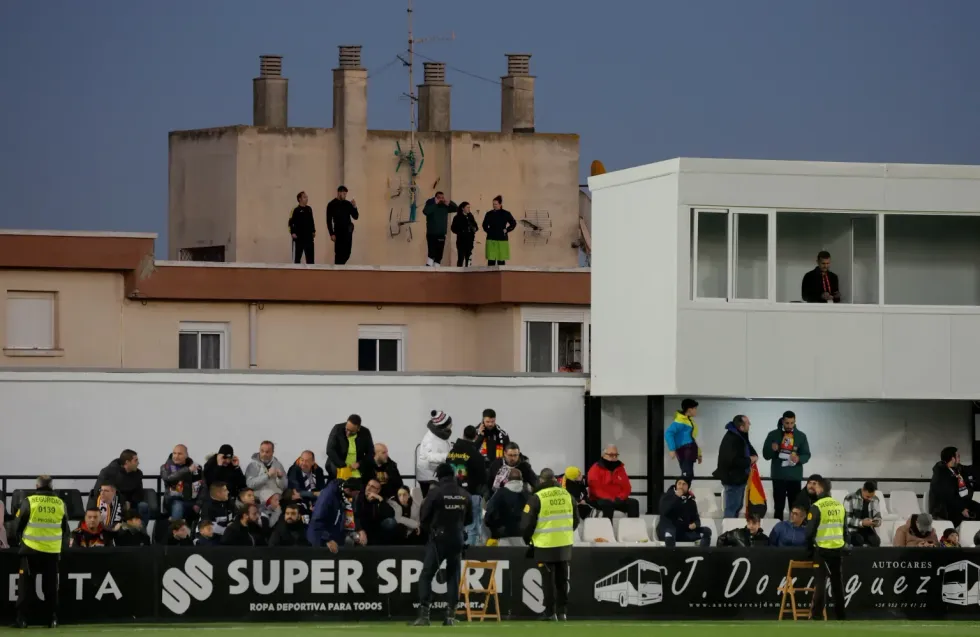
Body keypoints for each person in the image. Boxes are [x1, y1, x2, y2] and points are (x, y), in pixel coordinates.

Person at [411, 463, 472, 627]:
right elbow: (470, 519)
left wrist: (432, 528)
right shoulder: (464, 494)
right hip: (458, 538)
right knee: (453, 576)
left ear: (439, 476)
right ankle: (450, 616)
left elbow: (424, 517)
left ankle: (424, 616)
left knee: (426, 575)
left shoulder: (435, 493)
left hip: (438, 538)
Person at [521, 468, 578, 621]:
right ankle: (562, 612)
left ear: (541, 480)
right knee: (562, 580)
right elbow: (576, 520)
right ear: (554, 479)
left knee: (547, 580)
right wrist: (565, 533)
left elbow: (527, 524)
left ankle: (549, 612)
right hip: (564, 543)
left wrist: (528, 540)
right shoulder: (567, 495)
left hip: (544, 544)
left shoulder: (537, 497)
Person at [14, 475, 69, 629]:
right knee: (50, 586)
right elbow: (65, 528)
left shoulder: (30, 501)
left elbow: (17, 524)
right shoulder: (60, 503)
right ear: (51, 487)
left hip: (30, 549)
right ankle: (52, 619)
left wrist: (19, 542)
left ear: (37, 486)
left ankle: (22, 620)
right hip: (52, 551)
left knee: (26, 586)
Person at [805, 478, 846, 621]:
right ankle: (841, 615)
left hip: (822, 549)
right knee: (837, 583)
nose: (815, 489)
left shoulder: (817, 506)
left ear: (821, 489)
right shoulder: (839, 505)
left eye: (816, 486)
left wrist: (809, 549)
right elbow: (845, 530)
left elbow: (809, 532)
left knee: (820, 582)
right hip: (837, 548)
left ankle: (817, 615)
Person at [762, 411, 811, 520]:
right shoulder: (773, 435)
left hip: (794, 477)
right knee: (778, 507)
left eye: (792, 423)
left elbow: (807, 455)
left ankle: (794, 529)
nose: (789, 425)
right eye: (787, 423)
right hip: (778, 476)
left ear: (795, 422)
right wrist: (772, 449)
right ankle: (778, 528)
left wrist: (798, 458)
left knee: (795, 508)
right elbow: (766, 455)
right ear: (783, 421)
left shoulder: (801, 436)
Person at [448, 425, 489, 546]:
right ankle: (470, 554)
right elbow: (482, 477)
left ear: (463, 435)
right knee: (472, 528)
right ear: (475, 436)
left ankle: (456, 552)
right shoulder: (476, 455)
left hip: (452, 495)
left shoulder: (451, 453)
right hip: (471, 494)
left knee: (455, 527)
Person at [713, 415, 758, 518]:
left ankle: (733, 527)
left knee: (737, 507)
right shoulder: (733, 439)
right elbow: (733, 461)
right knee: (732, 508)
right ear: (741, 427)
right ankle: (728, 528)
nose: (750, 424)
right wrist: (749, 460)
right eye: (748, 423)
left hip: (739, 479)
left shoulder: (740, 436)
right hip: (733, 480)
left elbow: (749, 448)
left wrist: (754, 456)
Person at [94, 449, 148, 527]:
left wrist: (130, 502)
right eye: (135, 460)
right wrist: (123, 502)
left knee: (143, 506)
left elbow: (139, 493)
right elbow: (99, 491)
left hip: (131, 503)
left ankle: (141, 531)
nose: (138, 463)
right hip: (113, 502)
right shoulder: (108, 472)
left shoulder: (138, 474)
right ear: (127, 462)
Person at [928, 446, 980, 527]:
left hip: (958, 503)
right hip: (944, 509)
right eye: (958, 456)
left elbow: (969, 469)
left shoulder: (955, 469)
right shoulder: (941, 474)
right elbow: (947, 497)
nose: (959, 459)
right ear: (953, 459)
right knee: (971, 516)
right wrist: (961, 509)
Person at [587, 444, 640, 518]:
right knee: (607, 504)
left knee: (633, 503)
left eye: (616, 455)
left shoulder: (620, 468)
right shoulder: (595, 469)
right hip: (600, 499)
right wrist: (610, 499)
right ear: (603, 455)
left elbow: (627, 487)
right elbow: (595, 489)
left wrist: (620, 497)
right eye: (611, 455)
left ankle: (632, 525)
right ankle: (608, 525)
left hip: (618, 499)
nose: (614, 457)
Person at [657, 476, 712, 547]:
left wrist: (695, 524)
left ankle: (703, 552)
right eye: (679, 483)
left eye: (684, 484)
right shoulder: (666, 496)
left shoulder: (691, 502)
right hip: (668, 530)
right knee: (670, 532)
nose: (681, 486)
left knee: (707, 531)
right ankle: (670, 553)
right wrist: (676, 497)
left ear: (688, 487)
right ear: (676, 485)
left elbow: (697, 520)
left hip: (683, 532)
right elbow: (664, 511)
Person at [307, 478, 359, 552]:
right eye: (356, 493)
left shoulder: (342, 494)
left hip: (334, 537)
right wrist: (327, 539)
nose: (356, 496)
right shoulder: (328, 496)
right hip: (320, 540)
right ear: (348, 490)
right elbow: (317, 521)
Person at [160, 444, 203, 522]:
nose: (176, 456)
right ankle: (176, 529)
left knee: (208, 504)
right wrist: (187, 470)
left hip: (192, 501)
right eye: (174, 453)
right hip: (172, 501)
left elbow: (203, 487)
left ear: (186, 455)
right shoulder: (165, 467)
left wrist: (198, 503)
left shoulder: (196, 468)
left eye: (180, 454)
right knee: (178, 506)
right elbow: (168, 479)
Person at [484, 468, 528, 542]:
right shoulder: (527, 495)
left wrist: (492, 527)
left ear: (507, 479)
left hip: (502, 535)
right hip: (522, 536)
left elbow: (490, 512)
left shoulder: (499, 494)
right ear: (521, 479)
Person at [325, 415, 374, 481]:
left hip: (357, 468)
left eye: (352, 431)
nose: (348, 433)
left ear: (358, 429)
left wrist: (359, 463)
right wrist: (344, 465)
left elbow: (371, 453)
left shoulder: (365, 432)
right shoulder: (337, 429)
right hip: (339, 465)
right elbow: (330, 450)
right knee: (342, 483)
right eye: (347, 429)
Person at [416, 410, 453, 496]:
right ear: (443, 426)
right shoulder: (430, 439)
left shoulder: (442, 434)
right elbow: (430, 456)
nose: (451, 425)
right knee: (431, 500)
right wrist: (447, 456)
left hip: (435, 474)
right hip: (428, 477)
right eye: (449, 423)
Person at [665, 398, 701, 480]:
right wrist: (672, 449)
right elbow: (668, 433)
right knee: (687, 474)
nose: (696, 410)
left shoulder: (689, 420)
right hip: (684, 450)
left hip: (690, 449)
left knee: (689, 474)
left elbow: (692, 438)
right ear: (689, 409)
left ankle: (685, 487)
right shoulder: (680, 421)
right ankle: (682, 488)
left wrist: (698, 454)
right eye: (695, 408)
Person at [355, 479, 398, 545]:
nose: (368, 488)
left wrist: (380, 499)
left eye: (372, 487)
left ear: (378, 491)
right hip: (361, 528)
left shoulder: (378, 500)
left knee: (391, 522)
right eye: (368, 485)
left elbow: (391, 514)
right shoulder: (358, 498)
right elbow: (355, 516)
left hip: (375, 530)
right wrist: (360, 530)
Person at [245, 440, 288, 505]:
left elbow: (284, 486)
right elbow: (249, 484)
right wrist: (267, 476)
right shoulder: (252, 465)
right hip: (259, 501)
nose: (264, 454)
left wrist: (280, 478)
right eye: (262, 451)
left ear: (272, 452)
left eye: (267, 452)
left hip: (277, 500)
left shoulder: (278, 465)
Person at [842, 481, 882, 547]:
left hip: (868, 529)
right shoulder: (850, 498)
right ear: (863, 490)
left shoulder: (875, 499)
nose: (870, 499)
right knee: (858, 540)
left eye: (872, 496)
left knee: (876, 541)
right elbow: (846, 519)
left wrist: (876, 522)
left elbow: (877, 515)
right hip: (852, 530)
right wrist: (862, 523)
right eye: (868, 496)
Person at [422, 191, 457, 266]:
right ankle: (429, 267)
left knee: (439, 253)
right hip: (432, 233)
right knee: (432, 252)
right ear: (435, 198)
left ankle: (437, 266)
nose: (441, 199)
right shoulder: (430, 203)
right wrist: (435, 203)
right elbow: (425, 212)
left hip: (441, 233)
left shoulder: (444, 206)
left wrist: (449, 202)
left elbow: (456, 208)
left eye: (442, 198)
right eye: (439, 198)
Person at [327, 185, 358, 265]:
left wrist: (354, 206)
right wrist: (331, 233)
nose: (345, 196)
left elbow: (356, 216)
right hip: (338, 232)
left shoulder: (347, 204)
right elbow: (329, 220)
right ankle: (338, 269)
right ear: (339, 193)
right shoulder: (331, 204)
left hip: (347, 232)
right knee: (339, 253)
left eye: (345, 194)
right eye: (344, 194)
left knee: (347, 253)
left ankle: (340, 266)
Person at [482, 195, 517, 265]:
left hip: (502, 239)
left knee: (501, 260)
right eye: (493, 204)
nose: (494, 206)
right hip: (491, 239)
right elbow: (484, 225)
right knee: (491, 260)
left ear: (500, 204)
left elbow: (513, 223)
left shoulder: (506, 213)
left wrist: (507, 230)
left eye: (496, 204)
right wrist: (489, 231)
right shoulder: (489, 214)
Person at [288, 190, 316, 264]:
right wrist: (292, 233)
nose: (306, 198)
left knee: (310, 260)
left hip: (309, 238)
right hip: (299, 239)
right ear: (299, 199)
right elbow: (290, 223)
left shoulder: (309, 209)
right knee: (297, 260)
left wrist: (313, 231)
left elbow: (312, 221)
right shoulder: (295, 210)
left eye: (307, 197)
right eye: (304, 197)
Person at [451, 202, 479, 267]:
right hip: (461, 240)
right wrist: (461, 232)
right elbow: (453, 228)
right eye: (467, 207)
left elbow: (476, 226)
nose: (469, 209)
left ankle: (468, 270)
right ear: (463, 208)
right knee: (461, 257)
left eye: (469, 207)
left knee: (468, 257)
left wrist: (474, 229)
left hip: (470, 240)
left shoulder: (470, 216)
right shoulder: (457, 217)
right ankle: (459, 271)